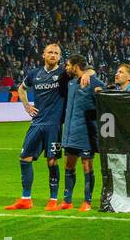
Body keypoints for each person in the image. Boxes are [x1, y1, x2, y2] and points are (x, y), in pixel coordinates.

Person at [7, 42, 69, 211]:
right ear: (43, 54)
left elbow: (83, 71)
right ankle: (26, 199)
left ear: (60, 57)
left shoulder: (64, 73)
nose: (53, 55)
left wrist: (88, 74)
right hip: (37, 123)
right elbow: (21, 89)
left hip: (54, 125)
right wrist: (26, 105)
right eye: (50, 52)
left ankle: (53, 200)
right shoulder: (35, 73)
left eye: (56, 53)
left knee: (52, 161)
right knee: (24, 159)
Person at [59, 55, 105, 212]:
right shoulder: (71, 83)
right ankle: (67, 201)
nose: (66, 67)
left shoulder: (95, 83)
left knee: (87, 166)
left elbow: (104, 102)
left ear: (76, 66)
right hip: (70, 133)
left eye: (68, 65)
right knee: (68, 166)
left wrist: (90, 74)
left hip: (86, 133)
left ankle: (87, 201)